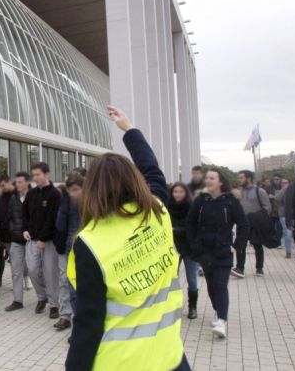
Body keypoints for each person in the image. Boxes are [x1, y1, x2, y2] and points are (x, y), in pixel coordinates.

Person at [66, 106, 189, 371]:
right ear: (134, 182)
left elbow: (89, 320)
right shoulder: (157, 212)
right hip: (169, 355)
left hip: (120, 362)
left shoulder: (89, 242)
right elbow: (153, 171)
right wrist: (129, 129)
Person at [187, 169, 248, 339]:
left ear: (221, 182)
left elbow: (244, 224)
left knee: (221, 284)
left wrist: (237, 246)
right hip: (205, 251)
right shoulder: (200, 201)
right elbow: (190, 223)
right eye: (207, 178)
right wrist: (193, 243)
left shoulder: (230, 202)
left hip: (223, 250)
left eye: (212, 178)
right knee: (211, 285)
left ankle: (222, 321)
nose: (208, 180)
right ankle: (217, 310)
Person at [23, 162, 61, 319]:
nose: (35, 177)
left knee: (50, 273)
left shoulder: (55, 194)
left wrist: (44, 238)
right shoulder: (31, 194)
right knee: (32, 270)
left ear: (47, 174)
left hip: (49, 242)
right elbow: (24, 212)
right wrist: (24, 229)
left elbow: (53, 219)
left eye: (38, 174)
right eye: (34, 175)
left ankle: (54, 304)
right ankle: (42, 297)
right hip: (31, 239)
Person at [53, 171, 83, 331]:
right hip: (68, 249)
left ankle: (81, 323)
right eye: (70, 190)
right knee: (66, 283)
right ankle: (66, 316)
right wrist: (64, 206)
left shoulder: (91, 203)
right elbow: (60, 226)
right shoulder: (66, 203)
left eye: (76, 189)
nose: (73, 194)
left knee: (82, 287)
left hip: (86, 251)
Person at [232, 170, 271, 278]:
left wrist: (258, 218)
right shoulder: (239, 192)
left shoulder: (260, 191)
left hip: (256, 223)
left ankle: (259, 268)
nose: (239, 180)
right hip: (242, 223)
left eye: (241, 178)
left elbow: (267, 207)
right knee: (241, 245)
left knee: (257, 245)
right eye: (238, 178)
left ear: (248, 178)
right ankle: (239, 268)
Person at [168, 182, 198, 319]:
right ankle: (173, 305)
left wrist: (175, 230)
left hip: (190, 248)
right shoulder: (167, 207)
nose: (178, 194)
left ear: (185, 193)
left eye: (181, 192)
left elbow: (192, 227)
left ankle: (192, 307)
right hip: (173, 248)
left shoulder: (192, 207)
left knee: (192, 279)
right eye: (175, 192)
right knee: (172, 278)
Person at [4, 172, 31, 312]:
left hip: (31, 240)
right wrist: (12, 230)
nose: (17, 185)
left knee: (35, 270)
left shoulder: (34, 197)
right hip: (15, 240)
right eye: (16, 182)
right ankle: (17, 300)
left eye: (20, 182)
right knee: (16, 271)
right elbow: (9, 217)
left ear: (27, 182)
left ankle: (44, 299)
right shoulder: (13, 198)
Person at [0, 175, 14, 287]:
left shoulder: (14, 196)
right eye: (0, 186)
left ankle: (18, 282)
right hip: (0, 232)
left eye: (3, 185)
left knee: (14, 261)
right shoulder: (0, 197)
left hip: (10, 234)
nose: (1, 187)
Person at [274, 178, 293, 259]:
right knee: (287, 233)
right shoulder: (279, 191)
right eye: (283, 183)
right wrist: (283, 189)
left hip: (294, 214)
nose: (284, 184)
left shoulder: (293, 190)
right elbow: (277, 198)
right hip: (284, 215)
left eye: (286, 183)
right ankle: (288, 251)